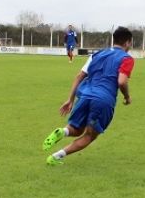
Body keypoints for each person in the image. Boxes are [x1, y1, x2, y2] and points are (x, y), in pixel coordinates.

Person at [42, 26, 134, 166]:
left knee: (77, 128)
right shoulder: (126, 58)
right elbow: (121, 81)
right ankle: (55, 156)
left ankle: (63, 131)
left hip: (85, 95)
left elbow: (79, 76)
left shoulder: (97, 54)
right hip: (103, 99)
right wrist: (127, 97)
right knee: (90, 135)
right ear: (127, 43)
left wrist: (70, 99)